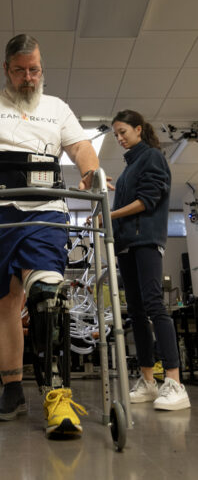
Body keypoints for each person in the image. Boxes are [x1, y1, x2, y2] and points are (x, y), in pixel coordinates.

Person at [0, 34, 99, 437]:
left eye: (34, 70)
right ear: (6, 69)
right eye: (20, 71)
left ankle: (58, 397)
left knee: (48, 291)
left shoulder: (56, 108)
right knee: (5, 302)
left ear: (41, 69)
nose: (28, 78)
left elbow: (82, 146)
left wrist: (89, 171)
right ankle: (12, 390)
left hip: (45, 209)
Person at [110, 109, 190, 411]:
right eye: (116, 134)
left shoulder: (152, 157)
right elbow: (135, 193)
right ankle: (147, 380)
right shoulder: (129, 166)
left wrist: (109, 213)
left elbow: (147, 200)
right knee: (136, 312)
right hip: (127, 245)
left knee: (155, 306)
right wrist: (114, 190)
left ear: (139, 129)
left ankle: (174, 382)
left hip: (145, 242)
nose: (119, 138)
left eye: (123, 132)